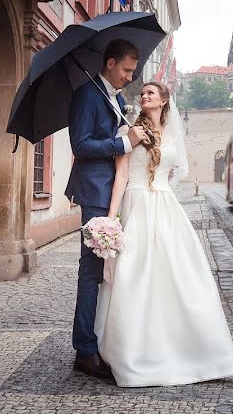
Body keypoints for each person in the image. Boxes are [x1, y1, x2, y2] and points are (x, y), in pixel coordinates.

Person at [94, 81, 233, 387]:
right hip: (135, 204)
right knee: (133, 276)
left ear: (163, 101)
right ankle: (133, 353)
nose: (144, 95)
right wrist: (111, 219)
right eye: (143, 93)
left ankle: (191, 350)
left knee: (177, 275)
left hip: (165, 207)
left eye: (151, 93)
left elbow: (173, 174)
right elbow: (121, 176)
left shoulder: (174, 136)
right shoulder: (126, 132)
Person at [65, 39, 148, 380]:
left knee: (106, 273)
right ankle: (85, 350)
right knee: (92, 272)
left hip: (114, 191)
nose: (130, 77)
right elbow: (81, 145)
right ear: (110, 62)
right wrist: (124, 142)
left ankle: (103, 340)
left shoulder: (115, 98)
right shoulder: (87, 95)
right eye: (127, 70)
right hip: (97, 192)